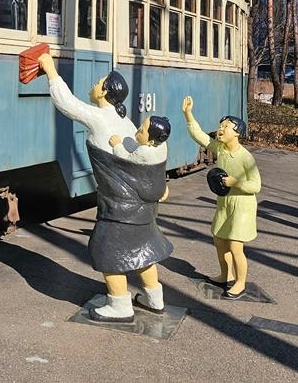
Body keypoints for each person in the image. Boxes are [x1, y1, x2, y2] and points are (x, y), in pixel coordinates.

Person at [35, 53, 172, 323]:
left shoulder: (100, 118)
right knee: (143, 250)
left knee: (109, 250)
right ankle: (154, 297)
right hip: (142, 208)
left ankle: (120, 305)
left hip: (119, 207)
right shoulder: (126, 123)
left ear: (105, 91)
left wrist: (51, 71)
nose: (94, 84)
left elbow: (67, 104)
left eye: (99, 82)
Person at [182, 96, 261, 300]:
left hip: (242, 205)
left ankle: (240, 282)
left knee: (235, 245)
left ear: (237, 133)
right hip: (224, 202)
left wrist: (235, 183)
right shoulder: (221, 149)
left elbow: (256, 185)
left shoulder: (245, 157)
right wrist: (188, 113)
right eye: (221, 126)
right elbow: (199, 136)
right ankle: (226, 275)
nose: (221, 129)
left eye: (226, 126)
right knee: (219, 240)